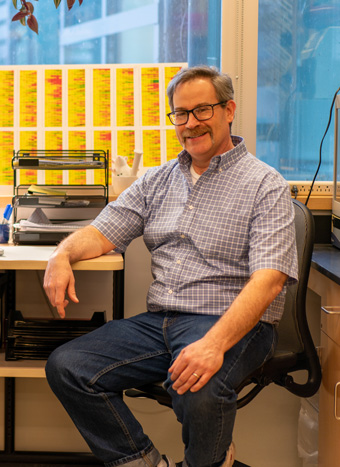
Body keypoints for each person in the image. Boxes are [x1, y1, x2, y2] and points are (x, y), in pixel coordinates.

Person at [43, 65, 297, 467]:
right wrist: (62, 255)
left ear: (229, 110)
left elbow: (269, 281)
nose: (191, 123)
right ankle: (144, 463)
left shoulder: (266, 184)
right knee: (69, 367)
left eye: (202, 110)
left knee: (199, 389)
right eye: (181, 113)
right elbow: (103, 231)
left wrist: (212, 345)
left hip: (232, 321)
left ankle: (208, 462)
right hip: (159, 321)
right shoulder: (158, 179)